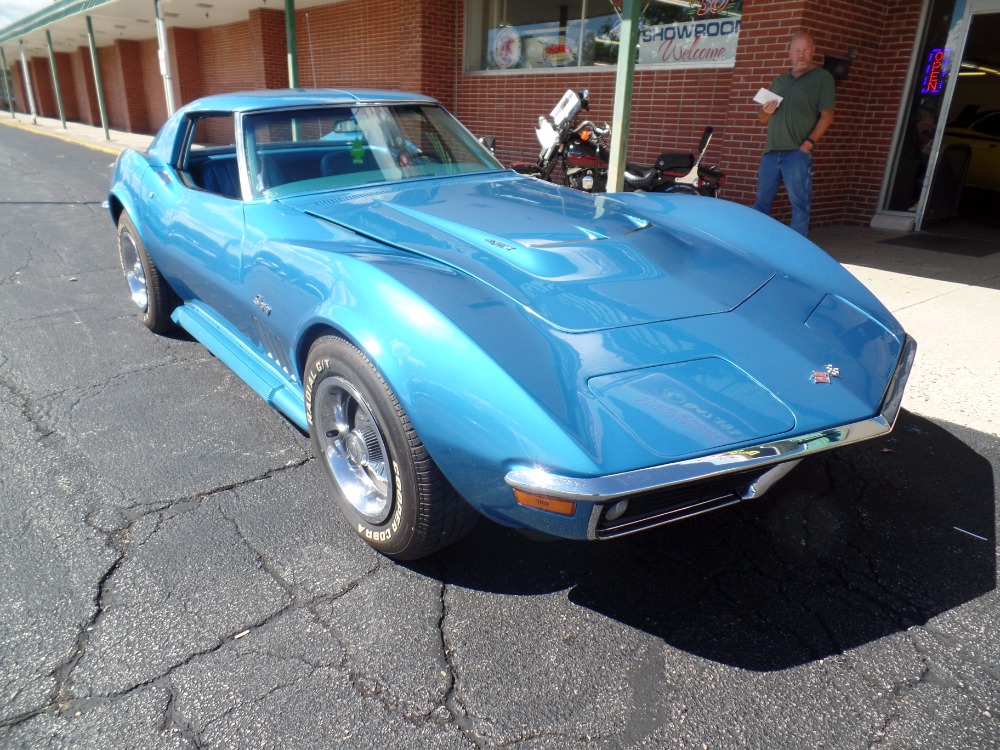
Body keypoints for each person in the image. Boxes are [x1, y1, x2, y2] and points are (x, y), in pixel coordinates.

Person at [753, 29, 835, 236]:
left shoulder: (822, 78)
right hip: (771, 152)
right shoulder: (779, 81)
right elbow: (762, 117)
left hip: (796, 154)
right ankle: (756, 243)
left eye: (806, 50)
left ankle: (797, 250)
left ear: (813, 51)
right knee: (761, 202)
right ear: (789, 53)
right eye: (797, 50)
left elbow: (827, 115)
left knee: (799, 204)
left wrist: (808, 143)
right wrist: (766, 110)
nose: (801, 54)